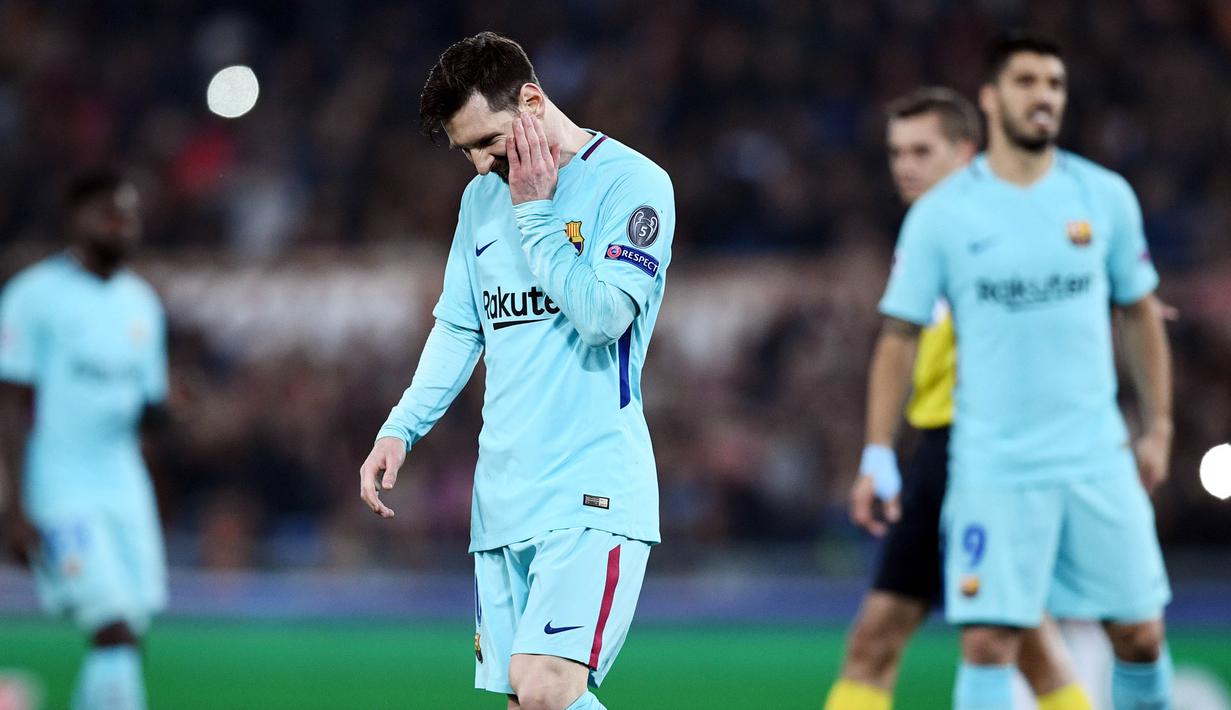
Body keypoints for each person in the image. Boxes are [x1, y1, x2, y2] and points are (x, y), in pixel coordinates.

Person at [357, 32, 674, 710]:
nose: (479, 165)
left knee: (545, 690)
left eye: (486, 141)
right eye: (465, 151)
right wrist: (400, 429)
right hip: (502, 498)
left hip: (592, 486)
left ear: (531, 100)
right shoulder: (480, 200)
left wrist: (535, 215)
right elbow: (459, 327)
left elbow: (603, 317)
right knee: (526, 701)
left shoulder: (633, 184)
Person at [870, 31, 1174, 709]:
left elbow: (1141, 310)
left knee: (1140, 635)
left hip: (1094, 456)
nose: (1044, 96)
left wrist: (1158, 427)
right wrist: (876, 450)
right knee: (987, 641)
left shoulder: (1104, 196)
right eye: (1027, 82)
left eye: (1055, 84)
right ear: (990, 98)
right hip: (992, 466)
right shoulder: (942, 216)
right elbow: (897, 334)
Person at [826, 87, 1093, 710]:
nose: (904, 166)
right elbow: (898, 344)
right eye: (897, 152)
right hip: (937, 451)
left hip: (992, 455)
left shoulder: (1007, 226)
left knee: (1004, 636)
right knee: (877, 638)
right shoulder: (925, 233)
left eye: (922, 151)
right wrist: (879, 453)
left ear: (966, 152)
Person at [0, 170, 169, 710]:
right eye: (110, 214)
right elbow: (10, 402)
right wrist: (14, 505)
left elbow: (148, 413)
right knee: (111, 624)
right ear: (77, 219)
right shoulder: (34, 296)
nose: (124, 226)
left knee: (131, 627)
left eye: (131, 215)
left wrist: (171, 412)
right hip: (58, 483)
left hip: (123, 480)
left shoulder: (142, 304)